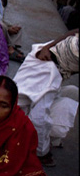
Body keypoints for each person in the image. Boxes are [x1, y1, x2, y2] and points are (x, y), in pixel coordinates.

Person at [13, 28, 79, 167]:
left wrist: (49, 46)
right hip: (16, 120)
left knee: (72, 92)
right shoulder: (50, 78)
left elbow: (75, 31)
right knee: (62, 107)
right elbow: (39, 119)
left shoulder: (43, 49)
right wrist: (42, 152)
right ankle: (43, 144)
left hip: (21, 102)